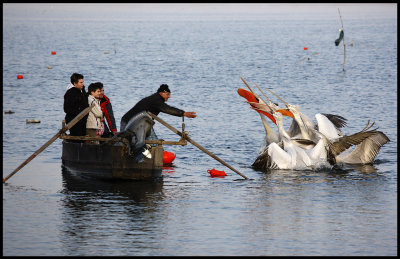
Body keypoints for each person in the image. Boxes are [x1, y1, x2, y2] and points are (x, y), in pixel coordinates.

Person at [120, 84, 196, 160]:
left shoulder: (156, 99)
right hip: (128, 122)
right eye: (167, 94)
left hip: (142, 124)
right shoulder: (156, 100)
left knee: (150, 139)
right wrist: (183, 113)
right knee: (125, 142)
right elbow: (167, 109)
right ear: (161, 93)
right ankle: (140, 157)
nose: (169, 96)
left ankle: (153, 156)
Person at [63, 73, 89, 138]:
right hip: (73, 120)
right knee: (77, 138)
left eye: (83, 82)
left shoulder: (82, 91)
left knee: (82, 137)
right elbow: (66, 109)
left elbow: (85, 104)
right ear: (75, 83)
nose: (82, 84)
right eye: (81, 82)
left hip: (82, 120)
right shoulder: (70, 93)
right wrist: (78, 112)